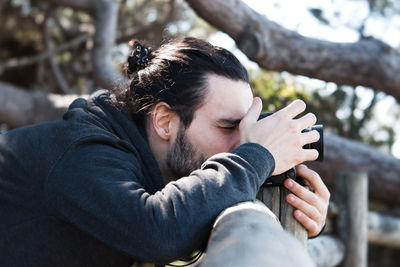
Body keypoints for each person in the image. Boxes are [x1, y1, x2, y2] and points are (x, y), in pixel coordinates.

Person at [0, 37, 330, 266]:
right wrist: (256, 156)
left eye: (248, 127)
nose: (241, 142)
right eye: (229, 127)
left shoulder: (140, 160)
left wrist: (296, 213)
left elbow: (189, 212)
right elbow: (161, 231)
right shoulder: (80, 152)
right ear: (164, 121)